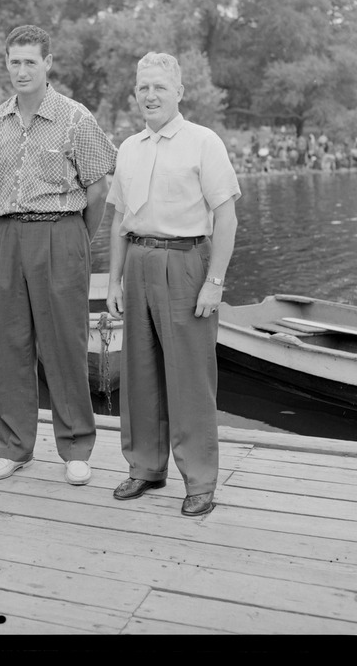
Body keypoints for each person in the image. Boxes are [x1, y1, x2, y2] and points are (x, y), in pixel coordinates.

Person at [0, 24, 117, 485]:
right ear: (6, 62)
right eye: (14, 61)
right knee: (9, 346)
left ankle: (76, 446)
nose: (21, 70)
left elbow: (98, 190)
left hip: (61, 233)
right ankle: (14, 447)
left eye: (30, 62)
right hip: (9, 236)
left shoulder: (75, 118)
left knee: (64, 345)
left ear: (48, 63)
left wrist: (75, 238)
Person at [105, 52, 240, 518]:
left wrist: (214, 282)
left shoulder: (204, 142)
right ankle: (145, 467)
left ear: (179, 92)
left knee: (189, 378)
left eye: (160, 86)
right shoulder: (128, 147)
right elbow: (120, 218)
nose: (150, 95)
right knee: (139, 374)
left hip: (186, 263)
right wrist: (115, 280)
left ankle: (200, 479)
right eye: (143, 86)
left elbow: (226, 216)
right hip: (138, 261)